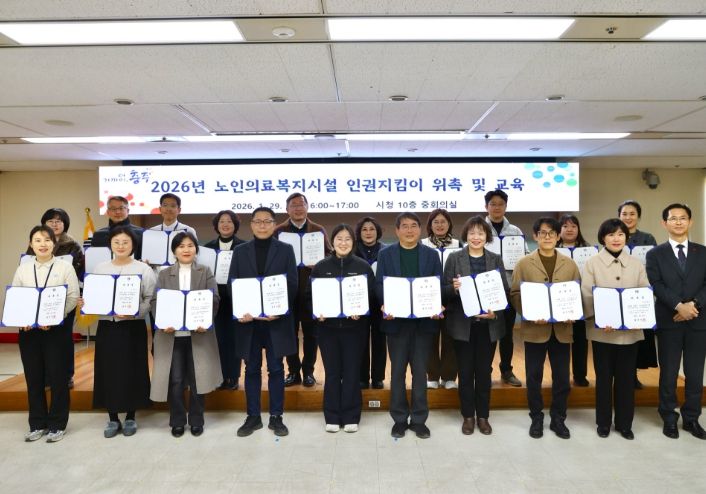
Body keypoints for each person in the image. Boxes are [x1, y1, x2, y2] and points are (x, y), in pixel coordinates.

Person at [230, 207, 298, 437]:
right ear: (251, 225)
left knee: (277, 369)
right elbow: (233, 283)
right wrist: (242, 310)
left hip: (276, 321)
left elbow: (292, 284)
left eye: (267, 221)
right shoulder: (240, 251)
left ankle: (276, 417)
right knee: (251, 369)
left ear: (274, 224)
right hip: (249, 322)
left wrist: (278, 309)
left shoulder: (286, 250)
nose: (262, 225)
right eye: (257, 221)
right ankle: (253, 417)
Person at [511, 217, 580, 439]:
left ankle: (558, 418)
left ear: (558, 236)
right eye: (542, 233)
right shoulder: (524, 263)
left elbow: (576, 293)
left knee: (562, 377)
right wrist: (530, 313)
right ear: (535, 236)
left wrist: (572, 313)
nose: (547, 237)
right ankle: (536, 418)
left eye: (552, 233)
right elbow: (515, 294)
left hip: (562, 330)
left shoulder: (570, 264)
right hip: (535, 330)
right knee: (533, 376)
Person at [376, 212, 443, 439]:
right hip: (396, 323)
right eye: (404, 226)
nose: (409, 230)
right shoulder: (385, 255)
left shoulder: (431, 255)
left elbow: (437, 285)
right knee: (397, 373)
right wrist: (385, 305)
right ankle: (398, 419)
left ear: (420, 229)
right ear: (397, 230)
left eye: (414, 226)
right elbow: (379, 285)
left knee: (420, 373)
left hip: (423, 324)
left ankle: (419, 420)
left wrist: (437, 305)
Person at [581, 218, 649, 440]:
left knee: (626, 380)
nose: (616, 238)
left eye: (620, 234)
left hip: (630, 333)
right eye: (611, 234)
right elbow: (587, 294)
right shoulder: (592, 263)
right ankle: (603, 423)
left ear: (626, 237)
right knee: (603, 379)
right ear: (603, 238)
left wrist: (640, 316)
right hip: (603, 332)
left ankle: (624, 424)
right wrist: (601, 318)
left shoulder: (637, 264)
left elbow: (645, 293)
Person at [12, 225, 79, 442]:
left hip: (55, 330)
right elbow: (17, 297)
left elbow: (72, 297)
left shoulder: (65, 267)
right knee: (34, 378)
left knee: (58, 378)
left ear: (54, 243)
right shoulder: (23, 269)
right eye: (38, 240)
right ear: (31, 244)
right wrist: (22, 319)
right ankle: (37, 423)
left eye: (47, 240)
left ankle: (57, 424)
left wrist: (53, 318)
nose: (43, 244)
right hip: (29, 332)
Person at [86, 226, 155, 438]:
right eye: (116, 242)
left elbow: (150, 298)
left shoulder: (143, 269)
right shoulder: (100, 268)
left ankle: (131, 416)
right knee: (108, 369)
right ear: (110, 245)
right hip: (108, 326)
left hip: (133, 327)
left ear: (133, 245)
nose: (121, 246)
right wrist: (87, 303)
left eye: (126, 242)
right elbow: (94, 296)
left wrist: (135, 312)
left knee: (133, 368)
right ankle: (113, 417)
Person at [151, 231, 221, 437]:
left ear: (196, 249)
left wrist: (204, 320)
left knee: (198, 378)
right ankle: (178, 421)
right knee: (176, 380)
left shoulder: (205, 271)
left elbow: (214, 299)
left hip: (198, 334)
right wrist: (163, 322)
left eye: (190, 245)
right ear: (174, 251)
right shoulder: (164, 274)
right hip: (172, 336)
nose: (186, 250)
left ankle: (197, 420)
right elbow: (155, 301)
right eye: (181, 246)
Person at [443, 216, 508, 435]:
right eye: (472, 233)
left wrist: (495, 312)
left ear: (487, 236)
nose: (476, 237)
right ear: (466, 235)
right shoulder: (454, 258)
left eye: (480, 233)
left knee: (483, 372)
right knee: (465, 372)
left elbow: (504, 291)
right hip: (463, 326)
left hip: (488, 327)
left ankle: (483, 416)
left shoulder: (495, 259)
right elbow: (444, 291)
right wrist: (453, 288)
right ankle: (468, 416)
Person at [646, 203, 706, 440]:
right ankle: (669, 418)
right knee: (669, 373)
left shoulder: (703, 252)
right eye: (673, 218)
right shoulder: (655, 254)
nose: (678, 222)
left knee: (695, 373)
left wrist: (693, 306)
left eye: (683, 218)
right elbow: (656, 284)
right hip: (669, 320)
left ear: (690, 222)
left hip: (698, 321)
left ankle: (691, 418)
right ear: (664, 223)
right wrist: (679, 306)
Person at [308, 224, 374, 432]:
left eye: (347, 239)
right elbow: (310, 297)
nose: (343, 243)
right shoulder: (321, 267)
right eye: (339, 239)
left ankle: (351, 415)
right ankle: (332, 416)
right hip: (327, 329)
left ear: (353, 242)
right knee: (332, 372)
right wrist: (317, 312)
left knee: (352, 372)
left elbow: (372, 296)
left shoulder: (363, 267)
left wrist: (361, 310)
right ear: (332, 242)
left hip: (355, 329)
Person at [274, 192, 332, 387]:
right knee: (289, 333)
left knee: (311, 334)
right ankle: (293, 372)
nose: (298, 208)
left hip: (311, 292)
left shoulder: (318, 230)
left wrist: (320, 263)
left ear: (307, 207)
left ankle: (308, 372)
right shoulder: (279, 231)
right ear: (287, 209)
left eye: (301, 204)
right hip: (286, 292)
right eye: (294, 205)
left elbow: (330, 256)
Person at [28, 208, 84, 389]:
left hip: (64, 299)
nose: (54, 224)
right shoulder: (36, 243)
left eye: (59, 221)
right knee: (43, 341)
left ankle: (66, 376)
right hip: (39, 299)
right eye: (50, 221)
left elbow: (79, 271)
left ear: (65, 224)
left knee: (63, 340)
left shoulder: (73, 245)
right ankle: (46, 377)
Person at [484, 189, 524, 387]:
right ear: (486, 207)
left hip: (508, 290)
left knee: (507, 333)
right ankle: (485, 371)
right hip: (487, 290)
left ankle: (507, 370)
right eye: (493, 204)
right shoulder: (479, 229)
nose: (497, 207)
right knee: (488, 334)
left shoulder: (515, 231)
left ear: (506, 206)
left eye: (501, 204)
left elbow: (524, 258)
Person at [204, 210, 246, 391]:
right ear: (216, 225)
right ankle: (220, 377)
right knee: (218, 340)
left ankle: (233, 376)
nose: (225, 224)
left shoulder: (244, 247)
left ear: (235, 225)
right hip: (215, 299)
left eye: (229, 221)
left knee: (234, 339)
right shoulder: (207, 248)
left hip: (237, 299)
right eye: (222, 221)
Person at [618, 200, 658, 389]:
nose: (628, 217)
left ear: (638, 217)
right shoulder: (614, 236)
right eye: (624, 214)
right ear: (619, 216)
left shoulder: (648, 239)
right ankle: (622, 375)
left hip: (641, 294)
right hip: (618, 293)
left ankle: (632, 374)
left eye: (632, 214)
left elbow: (655, 266)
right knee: (621, 336)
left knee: (638, 336)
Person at [421, 208, 460, 390]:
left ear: (449, 224)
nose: (439, 225)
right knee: (429, 338)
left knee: (451, 338)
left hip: (453, 297)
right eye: (435, 222)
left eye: (443, 221)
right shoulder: (422, 245)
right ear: (430, 225)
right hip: (428, 297)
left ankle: (449, 376)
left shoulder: (458, 244)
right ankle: (432, 376)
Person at [557, 214, 591, 387]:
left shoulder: (589, 250)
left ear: (578, 229)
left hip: (581, 299)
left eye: (573, 226)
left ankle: (580, 374)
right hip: (560, 300)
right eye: (565, 226)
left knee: (580, 339)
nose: (569, 230)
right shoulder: (553, 249)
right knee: (560, 339)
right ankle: (560, 376)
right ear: (559, 230)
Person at [354, 216, 387, 389]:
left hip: (381, 302)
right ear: (359, 232)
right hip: (358, 303)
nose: (368, 232)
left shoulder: (386, 251)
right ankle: (362, 377)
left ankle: (378, 377)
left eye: (372, 229)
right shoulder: (352, 251)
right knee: (360, 340)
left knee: (380, 340)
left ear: (377, 232)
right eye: (364, 229)